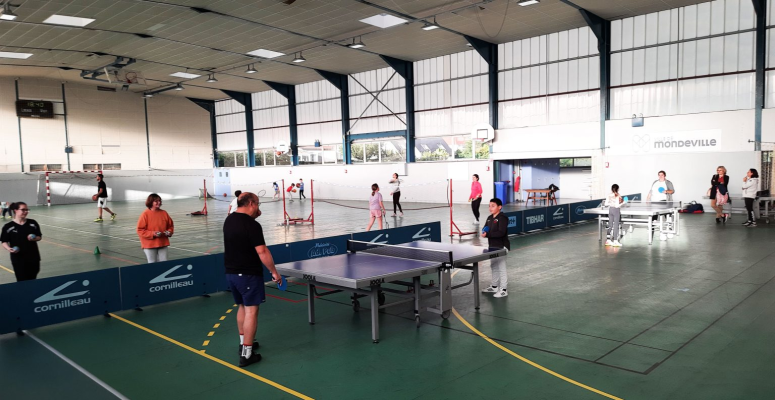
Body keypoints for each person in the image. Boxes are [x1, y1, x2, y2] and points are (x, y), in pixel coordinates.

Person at [222, 192, 281, 368]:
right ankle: (247, 355)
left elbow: (242, 231)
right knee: (251, 311)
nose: (258, 207)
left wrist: (254, 217)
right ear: (251, 203)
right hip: (248, 274)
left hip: (231, 273)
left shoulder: (229, 219)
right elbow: (262, 251)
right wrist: (274, 272)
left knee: (242, 307)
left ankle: (243, 344)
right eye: (258, 204)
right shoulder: (252, 225)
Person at [1, 202, 43, 281]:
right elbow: (4, 241)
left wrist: (34, 238)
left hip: (33, 257)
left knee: (33, 278)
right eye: (23, 210)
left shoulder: (33, 223)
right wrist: (9, 248)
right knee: (21, 279)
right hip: (18, 259)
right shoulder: (8, 227)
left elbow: (39, 237)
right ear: (16, 210)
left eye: (27, 210)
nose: (26, 212)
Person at [481, 198, 510, 298]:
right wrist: (484, 232)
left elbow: (501, 232)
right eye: (489, 206)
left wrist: (488, 234)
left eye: (493, 206)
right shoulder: (489, 218)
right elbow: (485, 228)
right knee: (493, 266)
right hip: (492, 246)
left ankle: (504, 290)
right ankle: (494, 286)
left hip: (501, 246)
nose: (490, 208)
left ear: (499, 207)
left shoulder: (503, 218)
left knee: (501, 268)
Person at [136, 194, 174, 263]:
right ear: (151, 202)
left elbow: (170, 226)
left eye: (159, 201)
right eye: (156, 201)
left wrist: (169, 232)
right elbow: (140, 230)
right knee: (152, 263)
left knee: (164, 263)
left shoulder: (164, 213)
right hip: (149, 245)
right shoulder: (145, 214)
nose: (159, 202)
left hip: (163, 243)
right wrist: (153, 234)